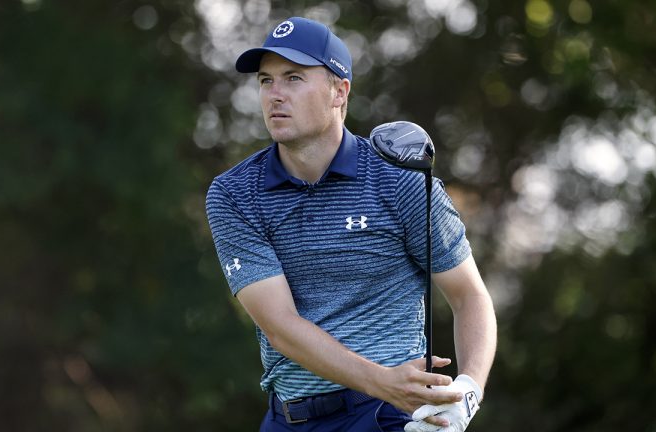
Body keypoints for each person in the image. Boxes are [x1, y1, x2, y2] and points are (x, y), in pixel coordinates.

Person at [205, 16, 497, 432]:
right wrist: (384, 383)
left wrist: (467, 394)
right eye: (266, 81)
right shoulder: (235, 193)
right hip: (290, 417)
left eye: (293, 78)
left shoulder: (400, 179)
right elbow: (281, 328)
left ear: (339, 91)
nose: (275, 95)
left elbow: (469, 296)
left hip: (388, 416)